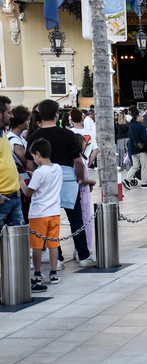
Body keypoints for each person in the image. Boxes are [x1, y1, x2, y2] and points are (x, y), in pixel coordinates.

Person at [25, 99, 96, 268]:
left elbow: (29, 163)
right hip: (67, 179)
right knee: (76, 219)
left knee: (49, 220)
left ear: (40, 116)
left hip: (44, 181)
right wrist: (82, 178)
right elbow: (78, 160)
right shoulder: (67, 134)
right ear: (57, 114)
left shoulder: (34, 136)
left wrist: (38, 176)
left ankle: (57, 258)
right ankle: (83, 255)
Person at [19, 138, 63, 288]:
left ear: (38, 154)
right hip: (54, 212)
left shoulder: (39, 172)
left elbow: (29, 193)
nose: (34, 160)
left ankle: (37, 273)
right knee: (53, 243)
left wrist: (21, 182)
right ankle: (53, 272)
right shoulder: (57, 168)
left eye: (33, 156)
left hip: (38, 214)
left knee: (37, 245)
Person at [0, 96, 25, 230]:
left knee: (17, 245)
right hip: (2, 199)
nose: (12, 116)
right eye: (9, 113)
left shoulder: (3, 133)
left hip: (14, 196)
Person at [73, 134, 96, 260]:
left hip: (84, 192)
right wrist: (91, 181)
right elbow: (81, 179)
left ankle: (79, 248)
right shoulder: (78, 160)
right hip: (82, 193)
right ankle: (83, 248)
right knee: (84, 220)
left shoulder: (81, 158)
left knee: (84, 220)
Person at [122, 111, 147, 190]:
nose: (143, 118)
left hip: (133, 150)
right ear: (137, 118)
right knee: (144, 166)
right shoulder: (141, 127)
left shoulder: (131, 127)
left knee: (135, 166)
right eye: (141, 116)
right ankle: (144, 183)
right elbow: (145, 139)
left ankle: (127, 180)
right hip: (142, 150)